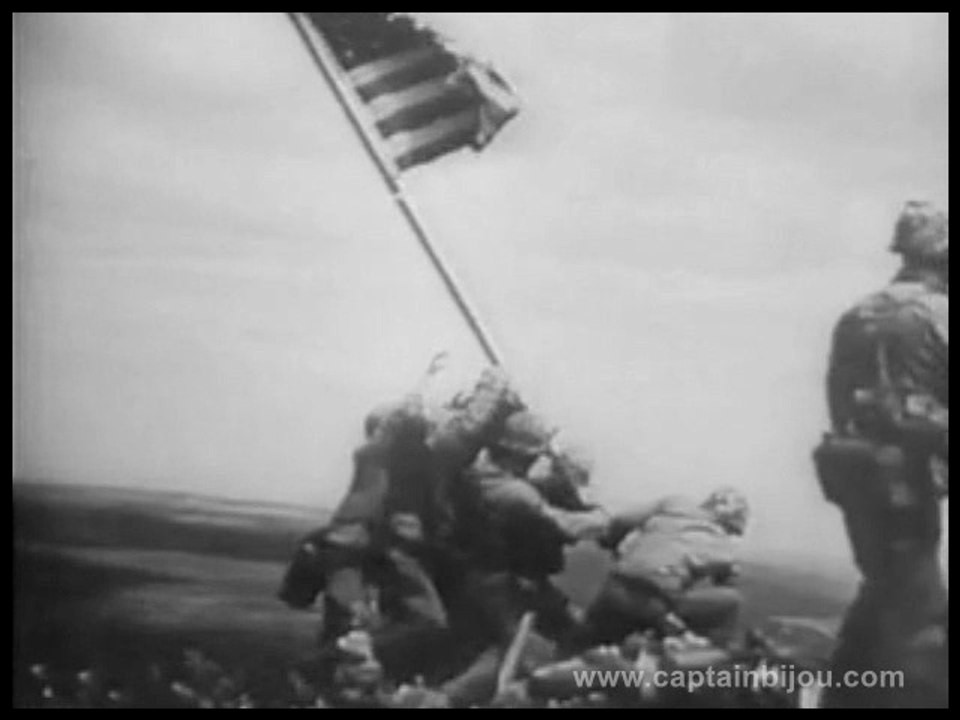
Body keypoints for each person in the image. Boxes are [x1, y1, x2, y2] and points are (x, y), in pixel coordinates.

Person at [814, 200, 948, 708]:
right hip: (903, 479)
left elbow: (838, 396)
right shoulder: (936, 315)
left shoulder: (860, 313)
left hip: (854, 475)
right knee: (923, 625)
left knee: (883, 594)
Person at [567, 487, 749, 652]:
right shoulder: (725, 549)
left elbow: (621, 520)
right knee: (732, 600)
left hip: (615, 586)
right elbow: (726, 585)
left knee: (581, 644)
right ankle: (714, 658)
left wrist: (611, 542)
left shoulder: (675, 502)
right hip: (655, 604)